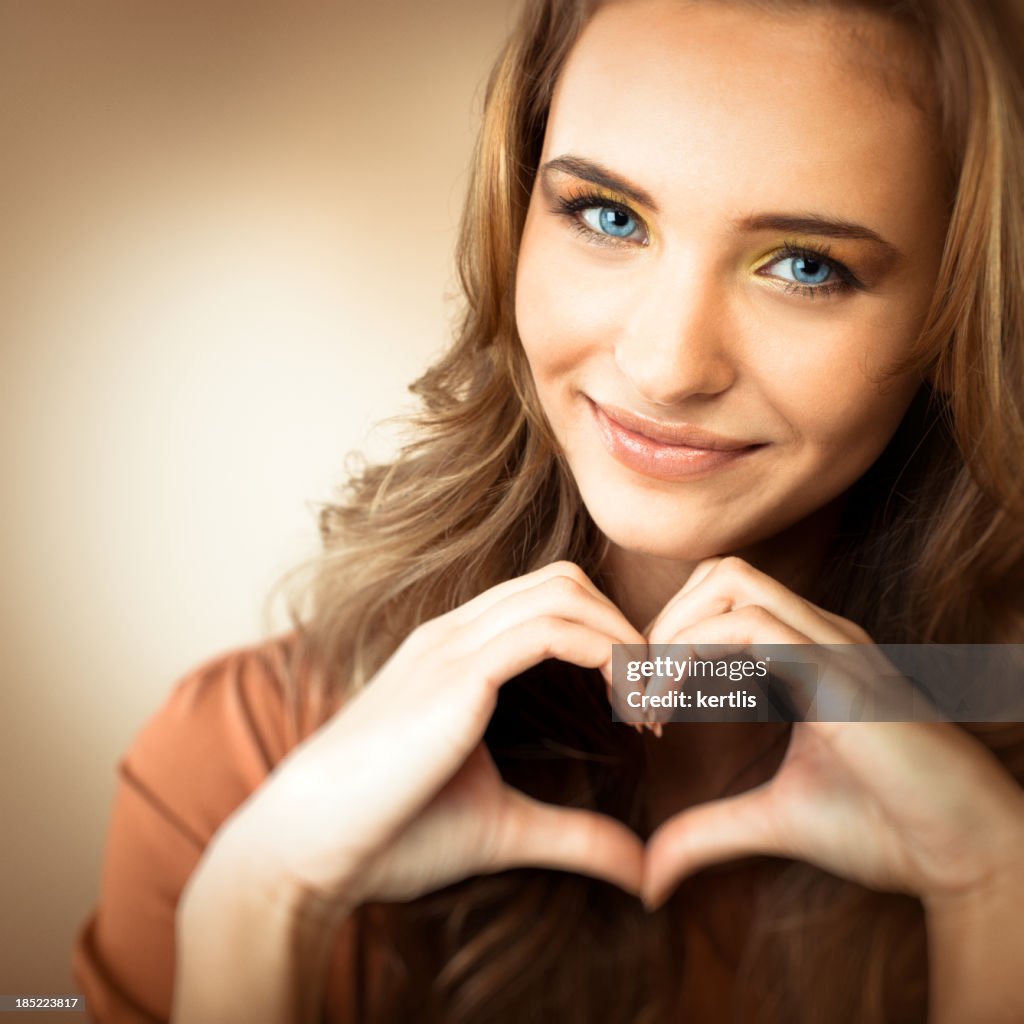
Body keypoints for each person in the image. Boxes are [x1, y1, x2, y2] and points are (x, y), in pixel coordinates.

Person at [74, 0, 1024, 1021]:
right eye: (609, 216)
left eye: (804, 265)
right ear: (514, 215)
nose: (664, 365)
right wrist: (261, 905)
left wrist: (996, 889)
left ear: (959, 312)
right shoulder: (247, 763)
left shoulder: (1001, 745)